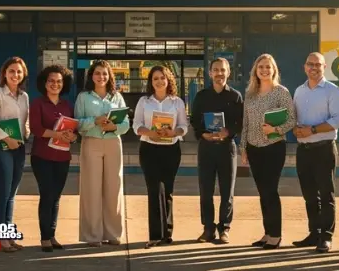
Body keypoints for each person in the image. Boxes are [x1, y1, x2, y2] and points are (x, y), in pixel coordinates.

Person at [240, 54, 296, 250]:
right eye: (261, 67)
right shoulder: (250, 94)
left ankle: (276, 235)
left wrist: (275, 130)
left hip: (273, 148)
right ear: (255, 70)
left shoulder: (281, 92)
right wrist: (243, 148)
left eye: (268, 67)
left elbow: (291, 120)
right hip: (253, 148)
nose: (264, 70)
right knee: (262, 192)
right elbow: (245, 124)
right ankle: (267, 232)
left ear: (274, 70)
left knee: (270, 191)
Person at [292, 52, 339, 253]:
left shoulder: (333, 91)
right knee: (309, 195)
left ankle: (326, 236)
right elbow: (295, 117)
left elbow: (338, 120)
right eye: (310, 64)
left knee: (326, 194)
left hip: (323, 149)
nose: (313, 68)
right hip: (303, 150)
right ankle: (313, 232)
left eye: (317, 64)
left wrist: (312, 130)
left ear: (324, 67)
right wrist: (295, 128)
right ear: (304, 67)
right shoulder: (299, 91)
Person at [75, 60, 131, 247]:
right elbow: (77, 123)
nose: (101, 77)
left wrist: (114, 126)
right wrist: (94, 121)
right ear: (92, 76)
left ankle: (113, 233)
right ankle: (93, 235)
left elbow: (126, 125)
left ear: (110, 76)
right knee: (91, 189)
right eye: (98, 73)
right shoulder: (83, 97)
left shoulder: (117, 97)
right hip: (91, 143)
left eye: (105, 74)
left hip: (113, 143)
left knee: (114, 188)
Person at [133, 65, 189, 248]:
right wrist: (150, 133)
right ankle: (155, 235)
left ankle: (168, 234)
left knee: (168, 191)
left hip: (171, 150)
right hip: (149, 149)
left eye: (162, 78)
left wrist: (174, 133)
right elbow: (137, 126)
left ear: (168, 80)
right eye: (155, 78)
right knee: (154, 190)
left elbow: (184, 126)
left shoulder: (177, 102)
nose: (159, 81)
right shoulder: (144, 101)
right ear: (151, 81)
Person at [190, 57, 243, 244]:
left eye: (223, 70)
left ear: (228, 73)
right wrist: (203, 134)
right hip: (206, 148)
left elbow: (240, 122)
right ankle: (208, 229)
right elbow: (194, 120)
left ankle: (224, 228)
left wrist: (229, 131)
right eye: (216, 70)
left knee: (227, 190)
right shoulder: (201, 96)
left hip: (226, 149)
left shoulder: (235, 96)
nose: (219, 73)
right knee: (206, 190)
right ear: (210, 72)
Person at [0, 57, 30, 253]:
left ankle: (9, 235)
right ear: (4, 73)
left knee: (12, 194)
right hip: (1, 147)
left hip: (18, 147)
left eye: (19, 72)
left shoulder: (24, 97)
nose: (15, 75)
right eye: (12, 71)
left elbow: (24, 121)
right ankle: (0, 237)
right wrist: (6, 138)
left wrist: (26, 131)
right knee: (3, 192)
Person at [30, 64, 76, 252]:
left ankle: (52, 234)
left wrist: (72, 136)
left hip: (63, 157)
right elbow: (36, 129)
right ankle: (44, 238)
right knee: (47, 195)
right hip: (42, 157)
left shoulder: (66, 105)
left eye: (58, 81)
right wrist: (57, 135)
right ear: (44, 83)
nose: (55, 84)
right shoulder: (38, 103)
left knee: (56, 198)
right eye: (51, 81)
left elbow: (73, 130)